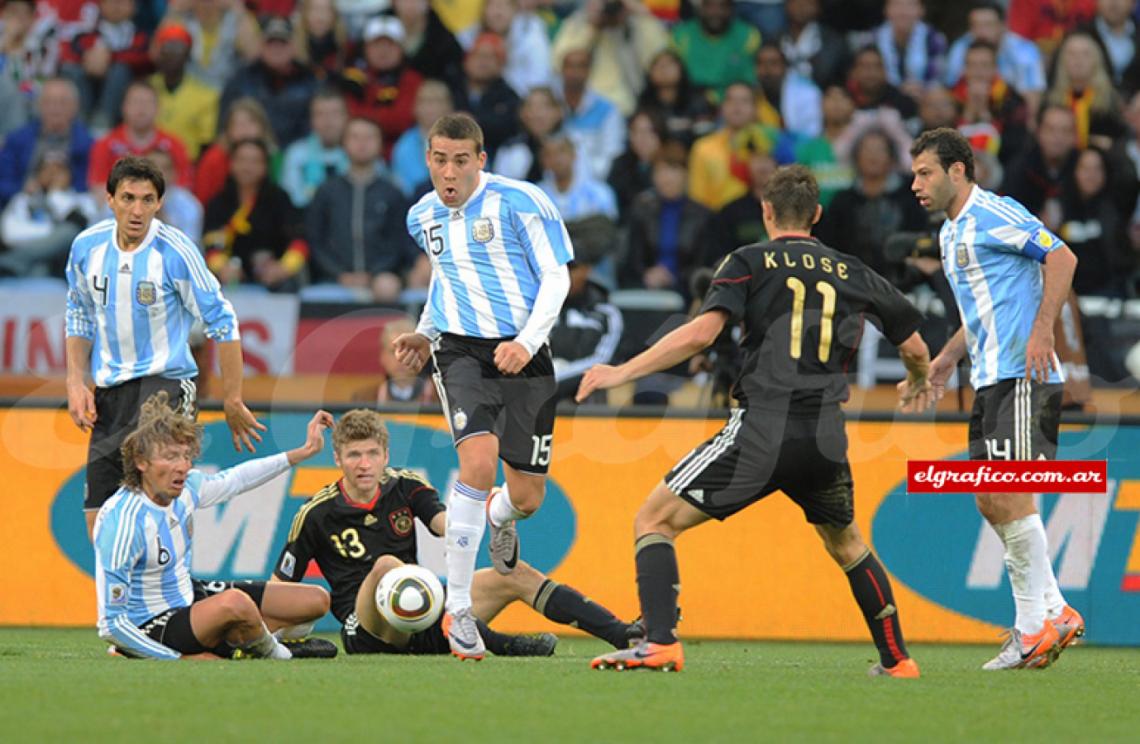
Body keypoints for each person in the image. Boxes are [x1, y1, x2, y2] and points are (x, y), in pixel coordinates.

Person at [576, 164, 932, 676]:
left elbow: (701, 334)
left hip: (762, 427)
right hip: (825, 435)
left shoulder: (747, 260)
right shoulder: (852, 270)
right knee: (846, 542)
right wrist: (919, 379)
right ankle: (898, 660)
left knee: (653, 520)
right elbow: (915, 346)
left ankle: (659, 643)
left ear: (766, 211)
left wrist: (621, 371)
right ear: (817, 215)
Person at [392, 113, 573, 660]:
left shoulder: (523, 202)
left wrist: (526, 340)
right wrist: (427, 333)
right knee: (476, 462)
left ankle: (498, 516)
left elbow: (557, 277)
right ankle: (460, 610)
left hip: (524, 353)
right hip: (461, 352)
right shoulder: (422, 215)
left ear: (481, 161)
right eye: (440, 159)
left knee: (527, 498)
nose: (449, 172)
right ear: (428, 159)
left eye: (461, 160)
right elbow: (448, 281)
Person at [906, 127, 1086, 670]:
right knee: (990, 497)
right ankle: (1050, 614)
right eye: (915, 172)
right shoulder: (948, 233)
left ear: (957, 170)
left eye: (925, 172)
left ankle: (1036, 624)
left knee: (1006, 492)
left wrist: (1042, 331)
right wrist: (943, 360)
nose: (915, 183)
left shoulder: (994, 213)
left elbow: (1062, 259)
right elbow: (978, 311)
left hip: (1022, 373)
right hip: (988, 377)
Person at [271, 409, 642, 657]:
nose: (364, 465)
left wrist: (493, 512)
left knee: (513, 575)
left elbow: (449, 528)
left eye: (371, 454)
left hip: (425, 611)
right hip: (366, 628)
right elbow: (278, 591)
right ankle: (502, 644)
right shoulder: (315, 512)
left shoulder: (406, 486)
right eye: (353, 455)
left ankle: (622, 634)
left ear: (385, 455)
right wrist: (276, 643)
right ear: (337, 459)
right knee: (387, 565)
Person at [65, 156, 265, 538]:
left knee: (159, 505)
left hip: (168, 385)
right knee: (99, 523)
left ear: (159, 204)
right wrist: (76, 381)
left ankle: (172, 593)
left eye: (146, 200)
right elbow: (78, 312)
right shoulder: (87, 248)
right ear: (109, 200)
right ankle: (125, 598)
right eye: (128, 198)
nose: (136, 210)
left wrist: (233, 397)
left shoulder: (175, 252)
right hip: (110, 393)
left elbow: (222, 321)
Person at [95, 393, 335, 660]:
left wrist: (301, 453)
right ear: (141, 461)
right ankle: (278, 654)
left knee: (316, 600)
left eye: (186, 456)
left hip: (191, 597)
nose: (182, 467)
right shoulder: (124, 522)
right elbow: (111, 624)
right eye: (171, 456)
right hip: (154, 623)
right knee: (236, 604)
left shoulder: (187, 489)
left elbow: (238, 479)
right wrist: (175, 659)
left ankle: (239, 640)